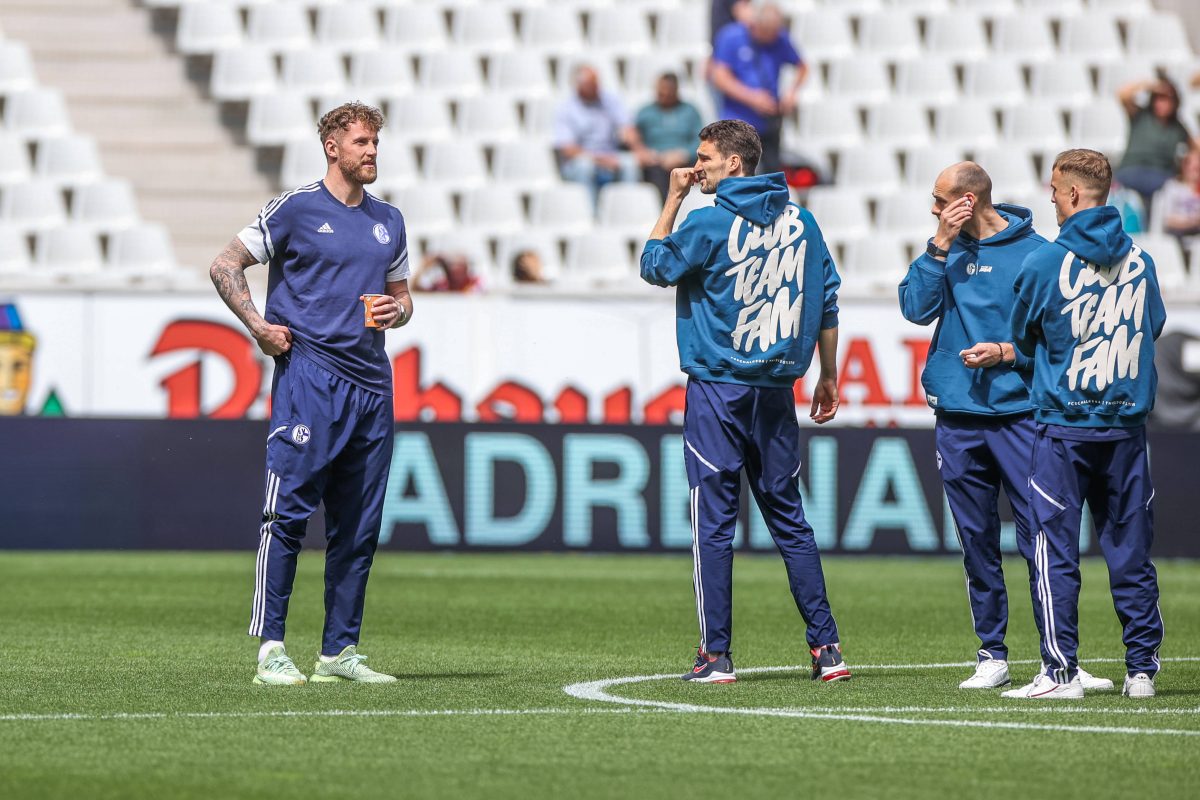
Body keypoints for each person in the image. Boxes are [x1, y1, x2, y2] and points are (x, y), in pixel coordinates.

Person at [640, 119, 850, 685]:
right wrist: (828, 376)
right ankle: (827, 649)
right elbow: (827, 300)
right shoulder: (802, 223)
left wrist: (672, 199)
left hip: (718, 390)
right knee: (790, 520)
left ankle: (716, 657)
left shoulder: (708, 223)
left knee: (712, 524)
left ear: (735, 163)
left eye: (706, 157)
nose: (698, 164)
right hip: (777, 392)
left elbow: (654, 266)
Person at [209, 102, 412, 686]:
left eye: (375, 142)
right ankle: (271, 647)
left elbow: (405, 302)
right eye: (361, 142)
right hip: (309, 378)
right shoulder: (295, 209)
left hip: (372, 386)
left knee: (360, 526)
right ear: (332, 146)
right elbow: (226, 264)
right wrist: (258, 326)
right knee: (288, 515)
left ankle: (338, 652)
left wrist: (395, 310)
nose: (371, 151)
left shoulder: (390, 221)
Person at [898, 163, 1113, 693]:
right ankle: (991, 653)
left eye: (940, 199)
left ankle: (1060, 655)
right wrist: (939, 245)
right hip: (957, 418)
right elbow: (913, 308)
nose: (933, 208)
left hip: (1021, 416)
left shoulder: (1036, 254)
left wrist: (1004, 353)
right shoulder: (943, 250)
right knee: (976, 542)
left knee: (1043, 538)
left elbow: (1057, 340)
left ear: (967, 200)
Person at [1007, 148, 1167, 700]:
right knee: (1130, 551)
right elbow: (1155, 325)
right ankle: (1141, 669)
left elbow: (1025, 337)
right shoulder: (1142, 260)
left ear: (1073, 194)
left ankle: (1060, 673)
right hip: (1126, 431)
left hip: (1062, 429)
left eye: (1054, 189)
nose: (1050, 198)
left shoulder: (1043, 263)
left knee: (1054, 550)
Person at [709, 2, 807, 175]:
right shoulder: (731, 36)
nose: (770, 38)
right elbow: (719, 77)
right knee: (738, 175)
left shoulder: (780, 38)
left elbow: (802, 67)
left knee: (771, 174)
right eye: (766, 32)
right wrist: (752, 98)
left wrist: (791, 92)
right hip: (737, 122)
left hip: (769, 120)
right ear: (755, 25)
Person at [553, 64, 648, 206]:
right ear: (579, 85)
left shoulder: (609, 100)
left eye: (596, 82)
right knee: (585, 167)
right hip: (581, 160)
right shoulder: (566, 109)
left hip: (610, 156)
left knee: (630, 164)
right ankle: (591, 214)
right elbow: (568, 149)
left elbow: (628, 128)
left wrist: (639, 150)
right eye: (591, 84)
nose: (596, 87)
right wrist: (599, 159)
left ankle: (627, 209)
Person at [1114, 76, 1195, 213]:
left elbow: (1195, 147)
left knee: (1173, 191)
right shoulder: (1140, 116)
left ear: (1175, 102)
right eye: (1158, 98)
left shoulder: (1178, 128)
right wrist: (1151, 85)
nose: (1162, 103)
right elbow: (1122, 94)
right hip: (1131, 170)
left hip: (1161, 176)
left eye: (1167, 98)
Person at [636, 73, 705, 200]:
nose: (664, 97)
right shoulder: (645, 112)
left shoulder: (690, 111)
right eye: (661, 93)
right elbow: (634, 136)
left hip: (684, 160)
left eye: (668, 93)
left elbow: (701, 139)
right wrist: (644, 152)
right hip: (655, 162)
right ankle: (661, 211)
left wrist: (683, 154)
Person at [1156, 149, 1200, 242]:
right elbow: (1168, 220)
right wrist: (1192, 222)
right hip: (1176, 238)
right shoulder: (1172, 187)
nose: (1196, 172)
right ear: (1184, 167)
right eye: (1194, 168)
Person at [412, 252, 484, 293]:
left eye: (460, 265)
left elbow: (478, 292)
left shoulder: (474, 282)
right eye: (452, 264)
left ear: (466, 268)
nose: (456, 268)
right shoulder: (443, 285)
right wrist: (423, 267)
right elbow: (415, 289)